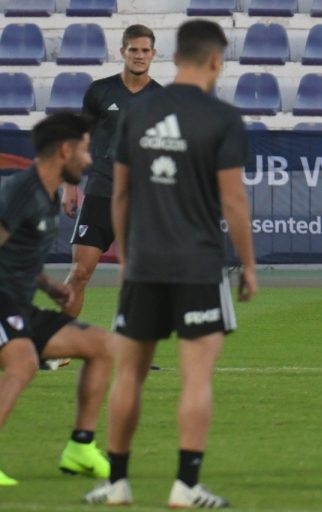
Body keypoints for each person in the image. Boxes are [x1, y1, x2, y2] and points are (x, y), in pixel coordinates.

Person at [84, 20, 257, 508]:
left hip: (143, 263)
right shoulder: (221, 117)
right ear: (216, 61)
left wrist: (125, 257)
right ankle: (186, 484)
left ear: (173, 56)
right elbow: (234, 202)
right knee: (196, 376)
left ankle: (116, 481)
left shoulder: (137, 112)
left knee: (130, 375)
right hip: (198, 265)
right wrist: (249, 266)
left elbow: (119, 192)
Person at [0, 112, 114, 486]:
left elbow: (14, 256)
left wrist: (49, 287)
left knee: (101, 345)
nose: (89, 159)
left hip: (20, 306)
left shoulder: (46, 197)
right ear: (65, 150)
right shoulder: (21, 192)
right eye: (84, 149)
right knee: (23, 363)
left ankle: (80, 448)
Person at [60, 24, 161, 319]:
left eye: (145, 51)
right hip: (101, 193)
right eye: (134, 50)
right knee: (79, 272)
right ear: (123, 52)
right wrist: (69, 185)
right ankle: (61, 342)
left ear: (153, 54)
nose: (139, 56)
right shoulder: (100, 91)